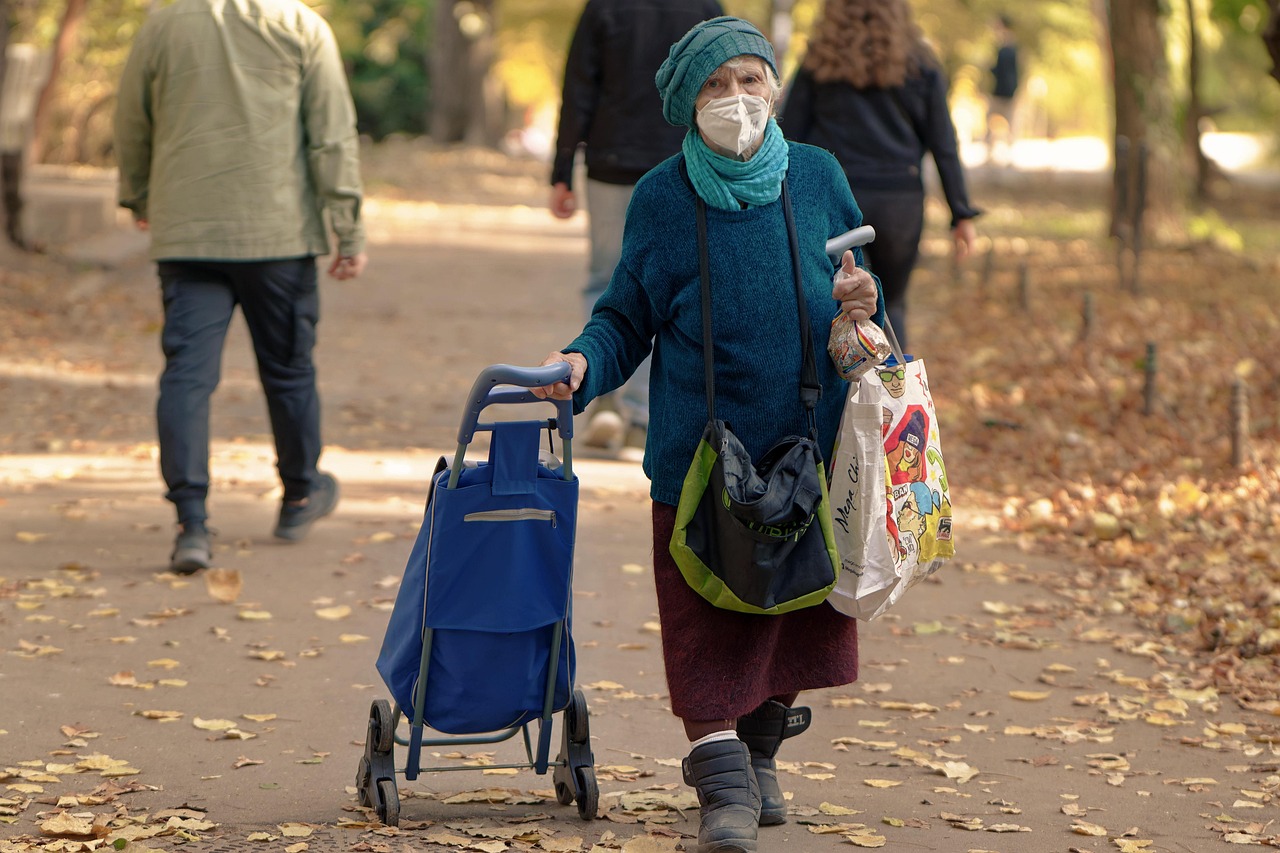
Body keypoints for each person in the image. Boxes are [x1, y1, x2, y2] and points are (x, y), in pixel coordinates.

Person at [532, 17, 885, 852]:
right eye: (715, 87)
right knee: (705, 616)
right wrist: (584, 362)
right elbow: (625, 316)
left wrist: (866, 307)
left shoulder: (820, 176)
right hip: (700, 457)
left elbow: (860, 297)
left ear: (773, 85)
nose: (736, 101)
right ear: (687, 105)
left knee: (787, 611)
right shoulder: (661, 197)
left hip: (808, 441)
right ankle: (721, 783)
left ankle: (758, 755)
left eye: (749, 81)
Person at [113, 0, 366, 574]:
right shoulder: (301, 26)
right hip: (276, 233)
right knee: (288, 368)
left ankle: (191, 522)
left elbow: (131, 119)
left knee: (186, 374)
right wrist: (347, 228)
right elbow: (331, 136)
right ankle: (300, 496)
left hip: (187, 228)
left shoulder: (161, 25)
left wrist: (140, 196)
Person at [549, 0, 723, 449]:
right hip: (682, 166)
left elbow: (579, 87)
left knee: (605, 281)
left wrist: (562, 170)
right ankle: (643, 414)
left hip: (612, 160)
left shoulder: (604, 6)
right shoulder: (703, 6)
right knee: (667, 288)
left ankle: (604, 397)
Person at [781, 0, 978, 352]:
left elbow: (788, 135)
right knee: (892, 305)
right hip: (898, 204)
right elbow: (943, 142)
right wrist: (960, 212)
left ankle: (839, 404)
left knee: (835, 306)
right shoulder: (920, 63)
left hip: (834, 200)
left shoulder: (819, 62)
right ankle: (894, 398)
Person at [986, 13, 1020, 162]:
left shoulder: (1008, 46)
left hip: (1004, 91)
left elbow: (1005, 70)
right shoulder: (1008, 45)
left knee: (1001, 121)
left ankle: (1004, 155)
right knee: (994, 121)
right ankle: (992, 153)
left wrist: (990, 67)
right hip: (1005, 90)